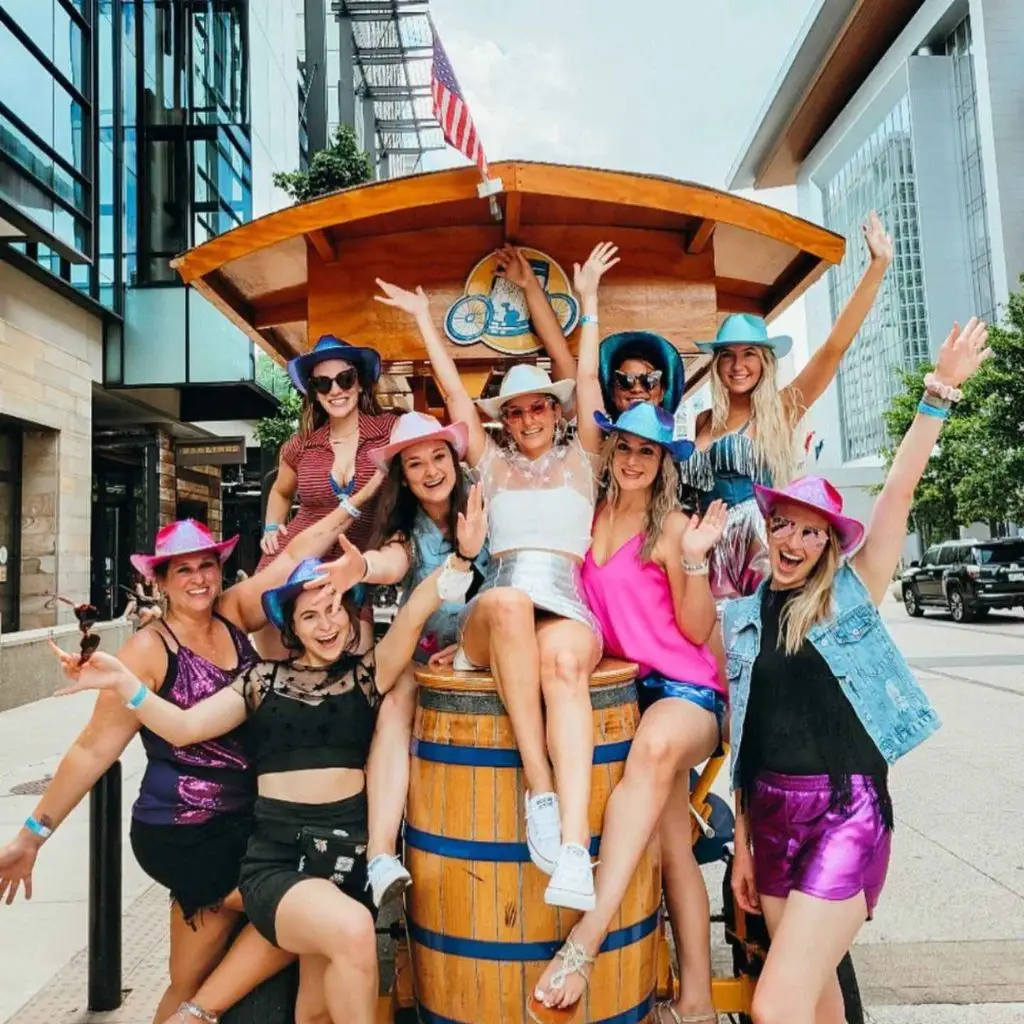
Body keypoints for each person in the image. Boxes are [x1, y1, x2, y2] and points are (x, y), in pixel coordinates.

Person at [50, 492, 487, 1024]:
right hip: (279, 862)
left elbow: (419, 608)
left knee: (316, 1010)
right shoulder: (260, 680)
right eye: (309, 616)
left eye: (332, 611)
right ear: (291, 628)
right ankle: (197, 1011)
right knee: (352, 934)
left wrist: (462, 558)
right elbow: (185, 728)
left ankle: (198, 1011)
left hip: (344, 864)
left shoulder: (369, 674)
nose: (326, 625)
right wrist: (125, 682)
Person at [0, 509, 371, 1024]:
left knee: (187, 975)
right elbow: (92, 750)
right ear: (160, 582)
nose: (198, 579)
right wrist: (32, 835)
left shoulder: (234, 613)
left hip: (249, 822)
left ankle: (192, 1006)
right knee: (311, 910)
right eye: (182, 570)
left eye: (206, 565)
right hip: (185, 830)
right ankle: (197, 1014)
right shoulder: (148, 650)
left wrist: (357, 501)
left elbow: (294, 556)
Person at [725, 318, 990, 1024]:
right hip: (772, 816)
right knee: (817, 1005)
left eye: (814, 531)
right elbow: (746, 743)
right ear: (770, 524)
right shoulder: (743, 616)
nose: (796, 539)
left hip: (845, 810)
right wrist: (742, 845)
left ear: (827, 545)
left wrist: (939, 392)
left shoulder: (849, 596)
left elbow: (898, 492)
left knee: (775, 1004)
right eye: (786, 522)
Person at [373, 241, 618, 912]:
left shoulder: (585, 458)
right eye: (515, 410)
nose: (529, 417)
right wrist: (426, 318)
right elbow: (453, 393)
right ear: (503, 421)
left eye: (539, 406)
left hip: (564, 604)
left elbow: (590, 379)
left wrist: (589, 300)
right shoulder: (490, 464)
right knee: (508, 603)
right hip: (499, 605)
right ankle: (540, 787)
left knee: (567, 670)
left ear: (555, 410)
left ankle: (572, 848)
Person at [528, 401, 728, 1024]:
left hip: (685, 692)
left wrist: (695, 557)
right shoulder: (587, 519)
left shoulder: (672, 529)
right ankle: (694, 1001)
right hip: (625, 694)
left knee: (654, 751)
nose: (635, 459)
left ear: (663, 460)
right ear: (610, 452)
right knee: (672, 849)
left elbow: (698, 631)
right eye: (625, 447)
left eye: (648, 450)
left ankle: (584, 942)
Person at [682, 211, 894, 598]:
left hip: (760, 547)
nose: (738, 365)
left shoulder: (780, 408)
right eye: (727, 355)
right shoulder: (703, 420)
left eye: (749, 354)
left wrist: (876, 267)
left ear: (764, 362)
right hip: (707, 551)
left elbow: (833, 350)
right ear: (716, 364)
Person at [341, 410, 491, 906]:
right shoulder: (407, 531)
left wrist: (471, 645)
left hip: (489, 649)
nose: (430, 471)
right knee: (395, 698)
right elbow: (392, 562)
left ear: (455, 459)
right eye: (415, 463)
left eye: (438, 457)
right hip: (430, 657)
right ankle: (381, 853)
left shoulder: (488, 506)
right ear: (403, 477)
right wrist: (363, 566)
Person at [256, 334, 397, 653]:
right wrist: (271, 527)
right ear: (314, 393)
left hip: (353, 565)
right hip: (292, 561)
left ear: (360, 383)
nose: (336, 390)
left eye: (345, 379)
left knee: (355, 665)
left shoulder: (389, 431)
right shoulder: (300, 445)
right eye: (323, 383)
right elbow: (279, 491)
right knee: (282, 664)